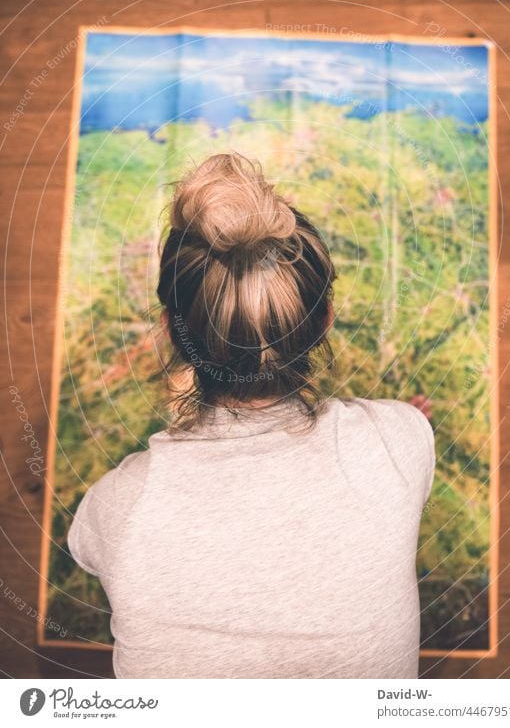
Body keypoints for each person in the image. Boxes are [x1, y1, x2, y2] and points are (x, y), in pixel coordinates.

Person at [68, 151, 435, 679]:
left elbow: (87, 548)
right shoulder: (400, 441)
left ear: (172, 331)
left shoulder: (116, 504)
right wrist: (402, 431)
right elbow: (406, 437)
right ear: (324, 320)